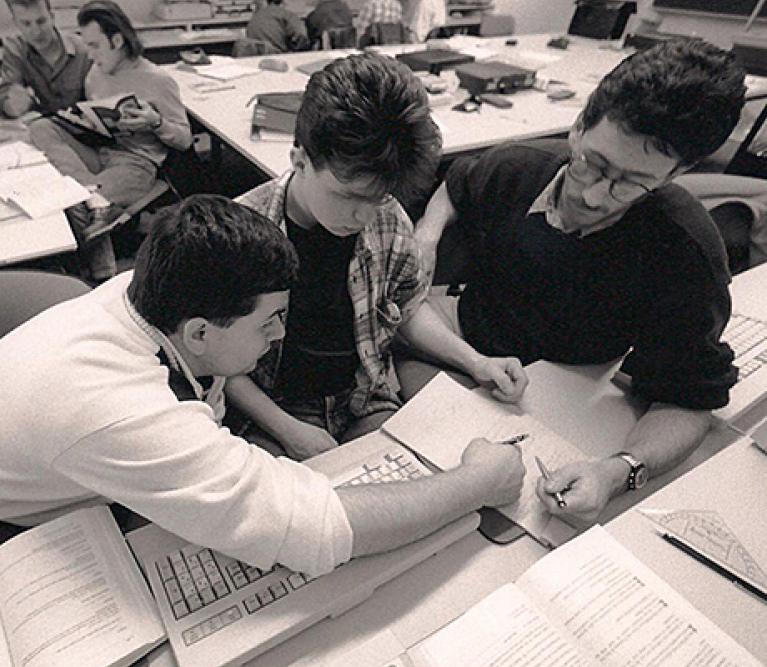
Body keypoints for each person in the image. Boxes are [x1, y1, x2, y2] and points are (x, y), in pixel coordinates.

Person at [0, 194, 526, 577]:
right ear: (200, 333)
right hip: (25, 535)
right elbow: (320, 531)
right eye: (270, 320)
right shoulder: (124, 407)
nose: (280, 335)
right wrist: (479, 482)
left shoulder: (152, 297)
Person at [399, 38, 746, 524]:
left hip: (571, 391)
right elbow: (457, 185)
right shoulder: (516, 167)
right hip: (466, 346)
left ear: (678, 172)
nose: (596, 196)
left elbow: (690, 400)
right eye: (593, 164)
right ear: (580, 124)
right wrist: (428, 232)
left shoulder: (684, 252)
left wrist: (618, 472)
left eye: (631, 183)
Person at [231, 53, 527, 461]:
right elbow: (216, 360)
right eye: (349, 196)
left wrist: (476, 362)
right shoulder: (240, 234)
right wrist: (289, 429)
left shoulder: (387, 215)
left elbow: (407, 308)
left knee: (427, 474)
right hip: (275, 409)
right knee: (289, 498)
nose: (364, 216)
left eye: (379, 196)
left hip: (363, 398)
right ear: (299, 160)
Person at [27, 0, 192, 282]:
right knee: (41, 127)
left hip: (137, 161)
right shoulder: (96, 74)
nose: (90, 55)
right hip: (101, 149)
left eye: (94, 46)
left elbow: (185, 140)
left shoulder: (158, 80)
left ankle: (100, 270)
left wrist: (156, 122)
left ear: (117, 40)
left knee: (75, 202)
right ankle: (93, 197)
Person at [0, 0, 91, 119]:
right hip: (40, 125)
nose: (36, 32)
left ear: (52, 17)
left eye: (41, 21)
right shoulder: (14, 50)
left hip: (82, 125)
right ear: (16, 23)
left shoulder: (84, 50)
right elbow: (6, 95)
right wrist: (13, 105)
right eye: (26, 24)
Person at [245, 0, 309, 53]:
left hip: (256, 58)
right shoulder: (286, 14)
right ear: (283, 2)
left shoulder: (253, 19)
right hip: (279, 57)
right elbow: (302, 36)